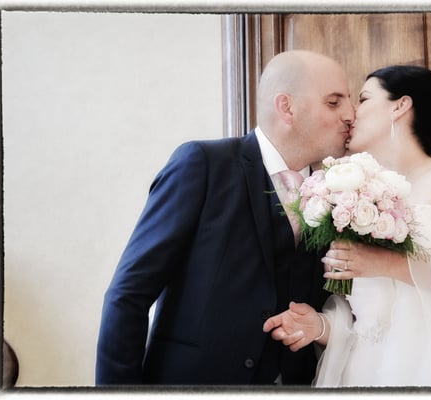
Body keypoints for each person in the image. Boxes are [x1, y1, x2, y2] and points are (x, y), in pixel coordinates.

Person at [95, 50, 355, 385]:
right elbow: (129, 293)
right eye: (334, 102)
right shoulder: (203, 164)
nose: (350, 115)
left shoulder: (340, 192)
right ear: (286, 107)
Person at [263, 65, 431, 386]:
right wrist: (320, 326)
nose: (351, 113)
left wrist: (387, 263)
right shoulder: (352, 195)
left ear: (400, 106)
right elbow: (370, 321)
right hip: (364, 373)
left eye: (363, 99)